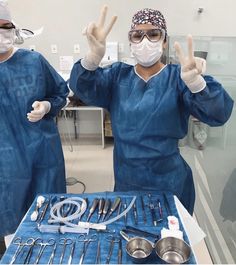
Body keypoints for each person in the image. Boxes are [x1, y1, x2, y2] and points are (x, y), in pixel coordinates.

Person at [69, 6, 234, 215]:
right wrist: (92, 58)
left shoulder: (178, 77)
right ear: (130, 41)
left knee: (170, 241)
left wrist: (197, 83)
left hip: (170, 182)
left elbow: (219, 114)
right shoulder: (117, 76)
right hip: (127, 180)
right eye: (137, 35)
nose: (145, 41)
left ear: (164, 40)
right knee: (130, 237)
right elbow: (81, 86)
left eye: (153, 34)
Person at [0, 2, 69, 238]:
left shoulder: (34, 62)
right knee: (10, 230)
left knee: (49, 222)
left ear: (13, 29)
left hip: (41, 157)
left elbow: (61, 92)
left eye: (5, 26)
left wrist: (47, 105)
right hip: (5, 166)